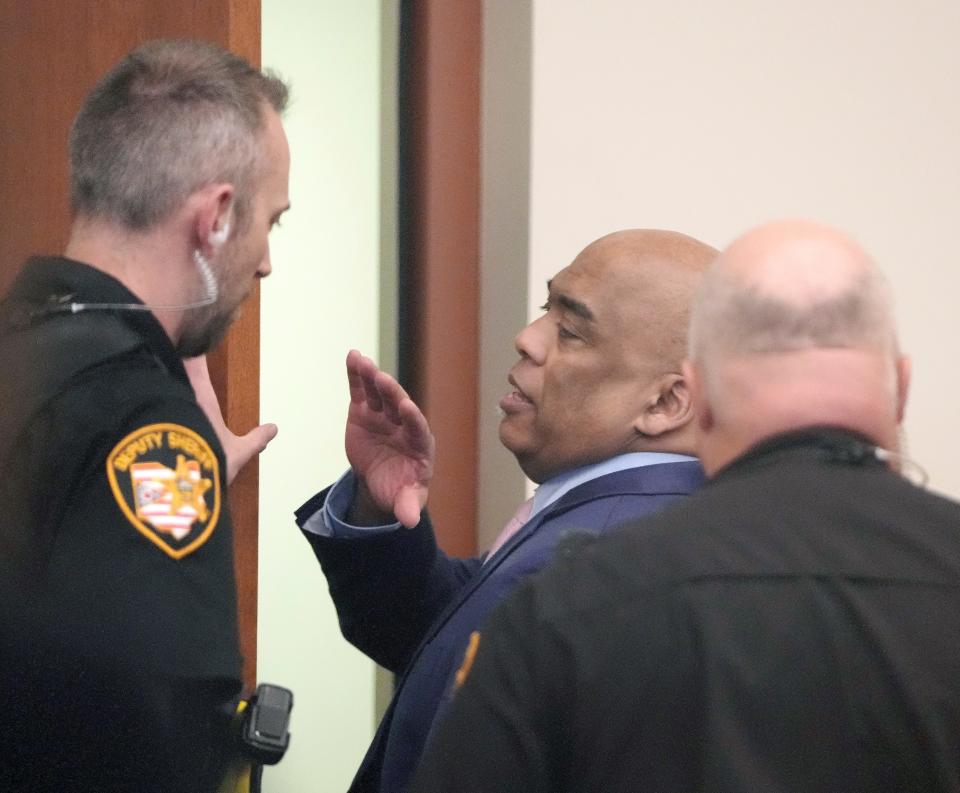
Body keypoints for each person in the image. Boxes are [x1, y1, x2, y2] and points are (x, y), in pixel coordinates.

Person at [411, 219, 960, 793]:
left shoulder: (571, 600)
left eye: (568, 327)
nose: (530, 338)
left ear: (694, 397)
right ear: (901, 386)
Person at [295, 229, 717, 792]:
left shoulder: (590, 559)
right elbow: (443, 642)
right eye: (547, 310)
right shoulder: (634, 524)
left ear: (667, 402)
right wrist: (378, 509)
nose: (528, 339)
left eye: (569, 330)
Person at [0, 39, 288, 791]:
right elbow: (160, 736)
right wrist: (171, 470)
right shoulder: (146, 430)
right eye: (271, 223)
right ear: (218, 217)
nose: (264, 261)